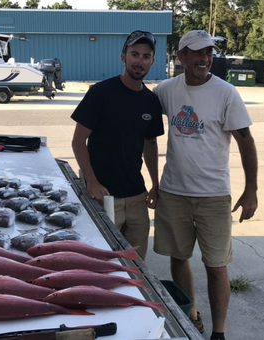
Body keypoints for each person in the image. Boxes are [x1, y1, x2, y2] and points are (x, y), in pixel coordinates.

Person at [153, 30, 258, 340]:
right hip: (174, 192)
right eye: (198, 52)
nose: (205, 58)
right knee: (178, 257)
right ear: (182, 56)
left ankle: (219, 332)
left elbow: (246, 142)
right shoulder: (166, 90)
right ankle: (191, 316)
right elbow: (136, 108)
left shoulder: (226, 93)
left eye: (209, 52)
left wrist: (251, 188)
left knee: (216, 265)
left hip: (214, 195)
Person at [71, 30, 164, 260]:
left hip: (136, 197)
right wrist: (92, 181)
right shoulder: (101, 92)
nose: (139, 61)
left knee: (136, 264)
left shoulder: (151, 101)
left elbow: (150, 143)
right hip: (103, 196)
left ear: (152, 61)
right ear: (123, 56)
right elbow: (78, 141)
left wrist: (155, 183)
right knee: (100, 261)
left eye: (145, 56)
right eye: (134, 54)